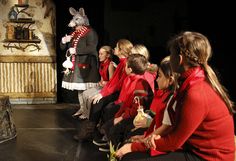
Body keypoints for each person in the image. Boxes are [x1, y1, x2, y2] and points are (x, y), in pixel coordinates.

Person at [116, 31, 235, 161]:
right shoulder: (191, 82)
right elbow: (174, 127)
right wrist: (146, 138)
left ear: (179, 59)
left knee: (131, 157)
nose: (169, 57)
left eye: (171, 54)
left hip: (209, 158)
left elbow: (174, 141)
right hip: (193, 149)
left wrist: (135, 147)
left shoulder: (197, 92)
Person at [73, 39, 133, 141]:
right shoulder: (122, 63)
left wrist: (103, 94)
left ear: (121, 50)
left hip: (121, 92)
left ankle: (90, 130)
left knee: (99, 102)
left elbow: (117, 84)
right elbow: (113, 82)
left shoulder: (125, 63)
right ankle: (92, 129)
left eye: (116, 47)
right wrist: (102, 93)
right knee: (96, 99)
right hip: (116, 90)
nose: (114, 49)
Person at [97, 54, 154, 152]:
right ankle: (110, 144)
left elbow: (138, 109)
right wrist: (120, 115)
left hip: (138, 116)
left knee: (116, 127)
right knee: (109, 123)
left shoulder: (140, 83)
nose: (124, 67)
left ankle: (115, 149)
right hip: (130, 112)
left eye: (126, 65)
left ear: (130, 69)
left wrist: (122, 117)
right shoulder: (131, 79)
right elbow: (128, 102)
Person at [125, 56, 177, 150]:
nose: (157, 80)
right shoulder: (162, 93)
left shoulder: (172, 99)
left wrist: (143, 139)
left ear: (170, 80)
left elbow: (165, 127)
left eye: (160, 76)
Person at [60, 7, 100, 103]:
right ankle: (82, 109)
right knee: (79, 90)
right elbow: (63, 48)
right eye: (75, 26)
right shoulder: (74, 34)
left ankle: (86, 111)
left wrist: (76, 50)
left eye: (77, 26)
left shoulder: (90, 32)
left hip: (86, 65)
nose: (75, 28)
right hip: (76, 65)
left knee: (85, 90)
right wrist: (63, 41)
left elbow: (92, 48)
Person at [72, 45, 116, 119]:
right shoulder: (102, 64)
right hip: (103, 85)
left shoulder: (110, 65)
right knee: (85, 93)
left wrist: (105, 83)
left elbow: (112, 82)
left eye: (102, 54)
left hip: (108, 88)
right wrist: (101, 82)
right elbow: (102, 77)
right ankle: (85, 113)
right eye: (99, 54)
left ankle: (89, 116)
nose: (99, 56)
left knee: (90, 97)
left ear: (108, 55)